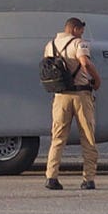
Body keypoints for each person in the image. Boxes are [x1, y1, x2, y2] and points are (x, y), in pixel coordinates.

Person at [43, 17, 101, 190]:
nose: (82, 34)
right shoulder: (79, 44)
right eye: (81, 30)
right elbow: (85, 63)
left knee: (58, 137)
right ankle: (88, 179)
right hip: (81, 95)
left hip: (60, 96)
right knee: (88, 137)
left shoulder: (50, 45)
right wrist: (97, 80)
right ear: (75, 29)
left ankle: (51, 177)